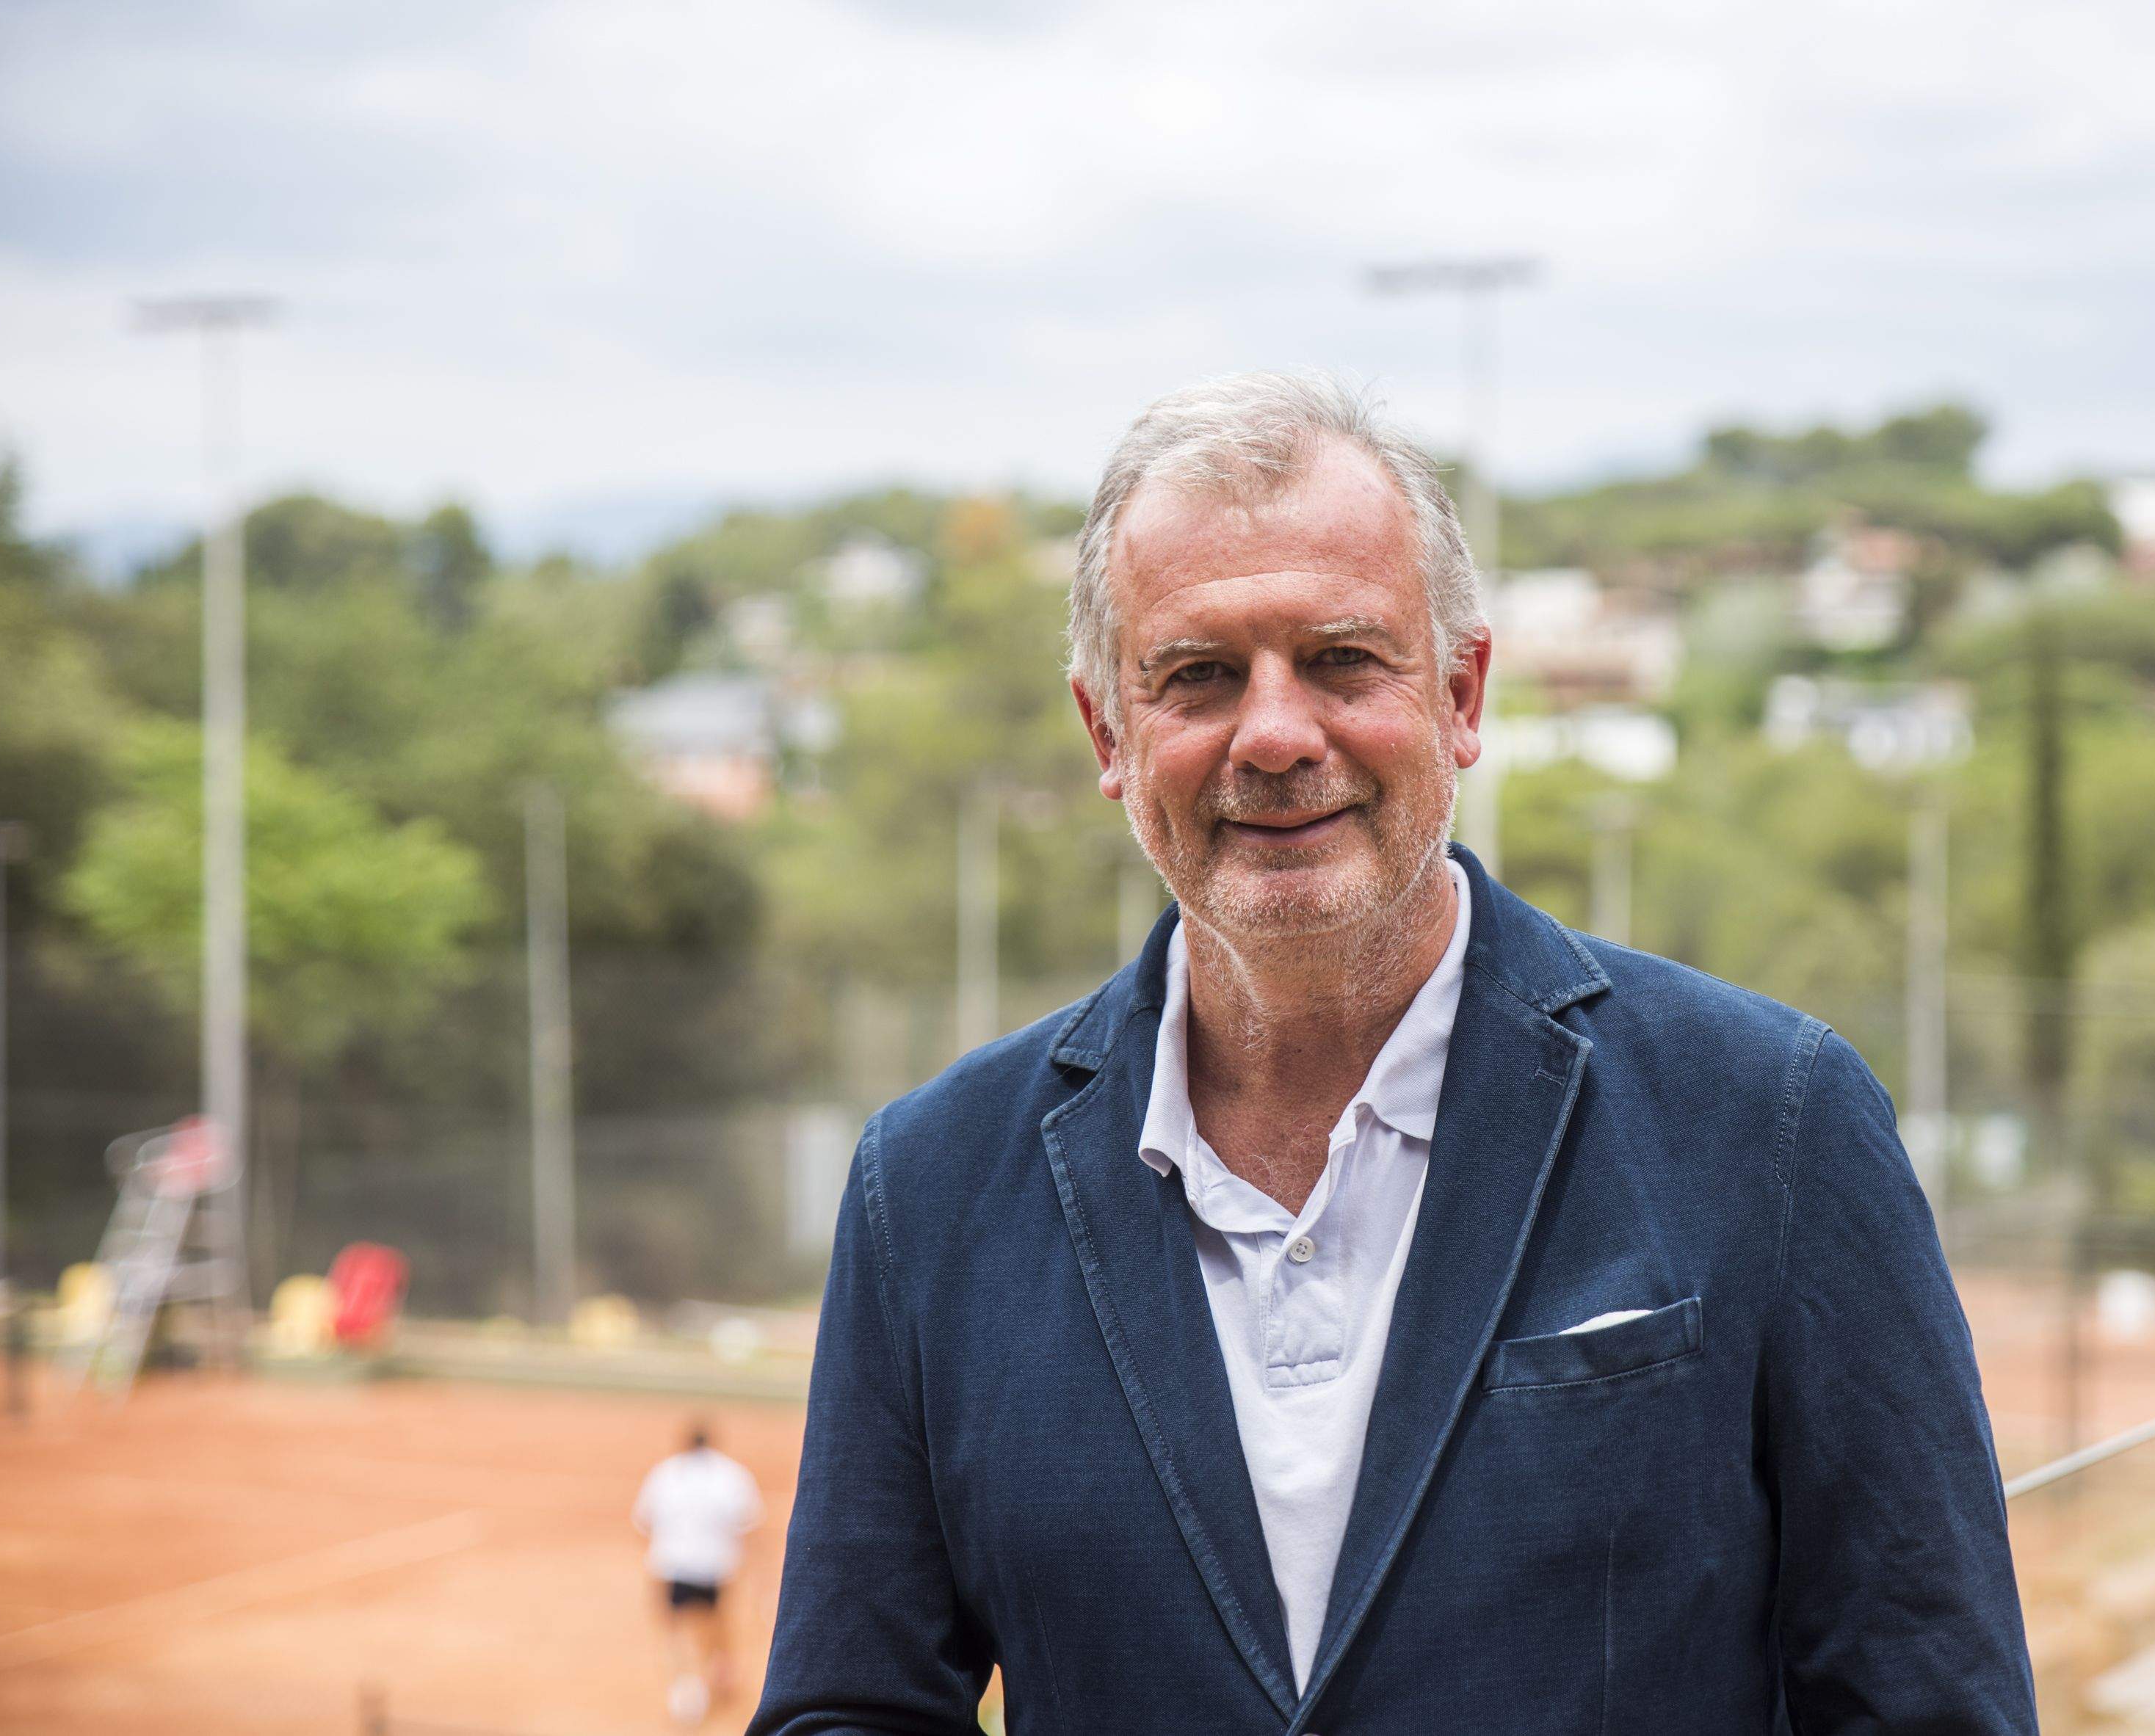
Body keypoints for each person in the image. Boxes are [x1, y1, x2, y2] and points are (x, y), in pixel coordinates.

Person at [753, 373, 2036, 1733]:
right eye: (1196, 676)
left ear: (1461, 691)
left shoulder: (1768, 1122)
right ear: (1108, 737)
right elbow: (851, 1706)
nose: (1274, 735)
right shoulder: (932, 1187)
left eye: (1341, 660)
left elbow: (1924, 1700)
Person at [634, 1419, 763, 1724]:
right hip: (715, 1568)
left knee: (676, 1630)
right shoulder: (731, 1474)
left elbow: (644, 1521)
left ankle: (686, 1689)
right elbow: (747, 1522)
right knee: (715, 1629)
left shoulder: (665, 1473)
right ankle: (716, 1678)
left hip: (673, 1565)